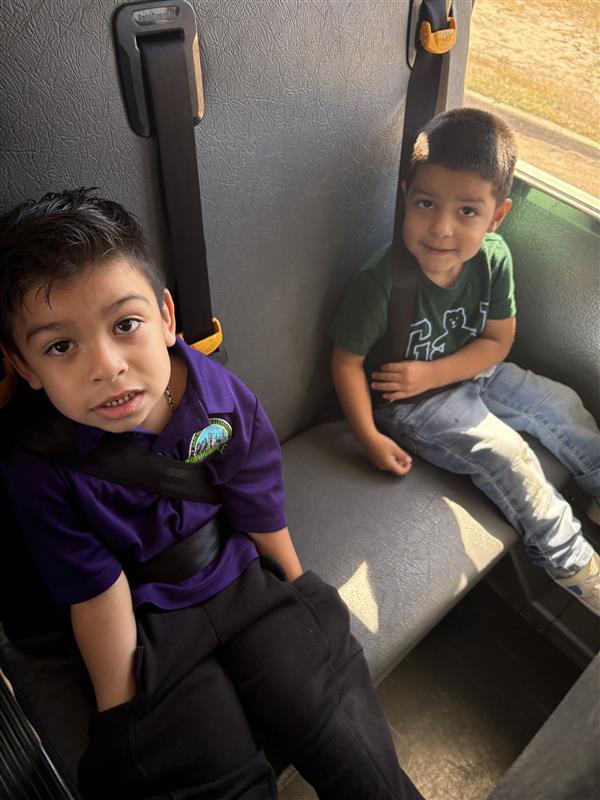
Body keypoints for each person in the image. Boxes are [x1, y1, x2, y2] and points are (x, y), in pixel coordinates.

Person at [0, 188, 424, 800]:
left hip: (238, 571)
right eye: (60, 346)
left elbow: (257, 501)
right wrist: (122, 714)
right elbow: (97, 592)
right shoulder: (38, 466)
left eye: (126, 325)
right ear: (25, 365)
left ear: (167, 318)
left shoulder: (217, 394)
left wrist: (297, 591)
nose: (108, 366)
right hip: (148, 620)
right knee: (194, 763)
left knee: (330, 709)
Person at [330, 107, 600, 617]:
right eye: (426, 203)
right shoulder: (381, 281)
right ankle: (573, 564)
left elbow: (498, 341)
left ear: (497, 216)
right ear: (406, 195)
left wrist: (438, 370)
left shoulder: (494, 259)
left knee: (563, 405)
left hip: (472, 369)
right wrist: (368, 437)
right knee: (508, 454)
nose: (441, 228)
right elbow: (346, 362)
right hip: (410, 405)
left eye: (467, 212)